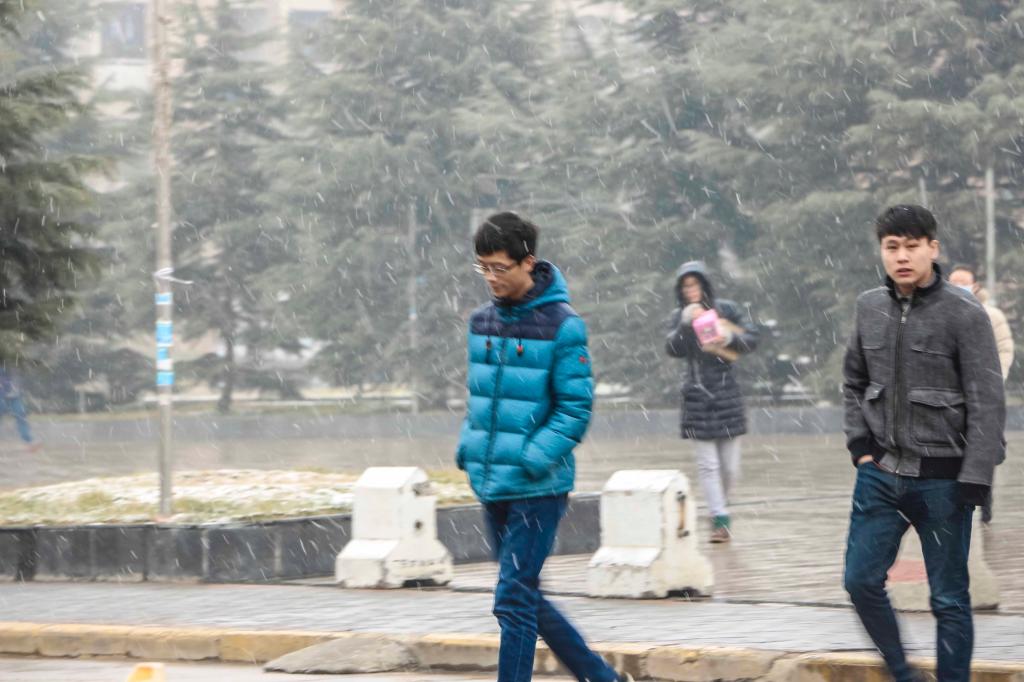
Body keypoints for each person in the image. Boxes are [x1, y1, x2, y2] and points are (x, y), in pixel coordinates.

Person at [456, 212, 632, 682]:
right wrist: (469, 445)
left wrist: (533, 456)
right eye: (483, 267)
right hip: (493, 482)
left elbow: (576, 408)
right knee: (525, 595)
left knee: (512, 599)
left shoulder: (563, 325)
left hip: (539, 487)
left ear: (528, 263)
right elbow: (479, 400)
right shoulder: (481, 322)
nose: (491, 277)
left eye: (499, 267)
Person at [842, 205, 1006, 682]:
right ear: (882, 250)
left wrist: (976, 477)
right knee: (860, 581)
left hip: (945, 482)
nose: (902, 256)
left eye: (912, 246)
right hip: (880, 475)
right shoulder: (869, 307)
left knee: (949, 598)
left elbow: (986, 399)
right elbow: (853, 382)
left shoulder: (964, 312)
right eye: (892, 247)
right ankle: (903, 672)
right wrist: (861, 448)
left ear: (933, 248)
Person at [664, 261, 758, 543]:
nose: (691, 290)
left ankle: (721, 507)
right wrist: (685, 324)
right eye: (686, 286)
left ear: (704, 285)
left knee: (730, 467)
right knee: (708, 465)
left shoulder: (726, 309)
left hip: (727, 394)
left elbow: (751, 338)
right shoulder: (679, 316)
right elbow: (673, 348)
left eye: (695, 284)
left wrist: (728, 336)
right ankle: (720, 518)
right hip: (697, 395)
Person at [948, 264, 1013, 524]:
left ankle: (985, 502)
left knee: (985, 445)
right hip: (951, 396)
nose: (958, 286)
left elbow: (1005, 349)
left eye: (963, 282)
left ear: (975, 285)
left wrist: (994, 380)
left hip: (983, 393)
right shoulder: (941, 312)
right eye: (953, 282)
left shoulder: (991, 315)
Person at [0, 367, 41, 452]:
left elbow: (17, 377)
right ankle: (30, 441)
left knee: (21, 417)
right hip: (2, 395)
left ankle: (30, 442)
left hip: (14, 396)